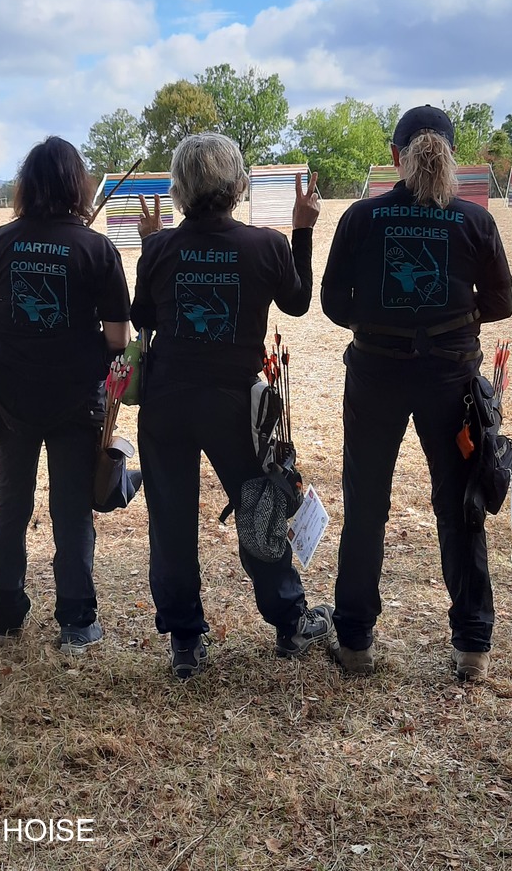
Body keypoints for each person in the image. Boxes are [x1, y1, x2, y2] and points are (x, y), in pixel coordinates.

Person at [130, 132, 335, 679]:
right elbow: (297, 302)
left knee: (170, 522)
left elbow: (142, 317)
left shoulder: (160, 248)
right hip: (234, 405)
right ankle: (290, 621)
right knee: (260, 508)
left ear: (179, 190)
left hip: (167, 401)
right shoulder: (264, 245)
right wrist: (302, 230)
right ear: (238, 184)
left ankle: (184, 642)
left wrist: (151, 245)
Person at [320, 105, 512, 681]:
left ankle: (355, 641)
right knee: (461, 507)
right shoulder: (474, 220)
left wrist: (377, 321)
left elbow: (332, 301)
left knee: (366, 507)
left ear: (395, 157)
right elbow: (501, 302)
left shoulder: (361, 217)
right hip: (451, 381)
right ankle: (472, 645)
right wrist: (453, 323)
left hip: (375, 376)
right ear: (451, 155)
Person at [0, 136, 131, 654]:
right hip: (75, 400)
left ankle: (4, 615)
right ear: (77, 186)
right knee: (72, 509)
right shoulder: (96, 249)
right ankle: (77, 623)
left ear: (27, 186)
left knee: (11, 501)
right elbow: (119, 340)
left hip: (9, 396)